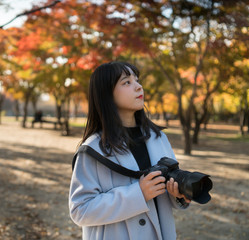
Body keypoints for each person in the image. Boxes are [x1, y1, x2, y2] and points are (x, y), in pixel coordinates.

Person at [69, 61, 191, 240]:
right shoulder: (93, 149)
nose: (138, 86)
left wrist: (178, 195)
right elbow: (80, 210)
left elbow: (162, 196)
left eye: (137, 80)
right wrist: (137, 194)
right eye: (127, 82)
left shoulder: (158, 138)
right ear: (106, 94)